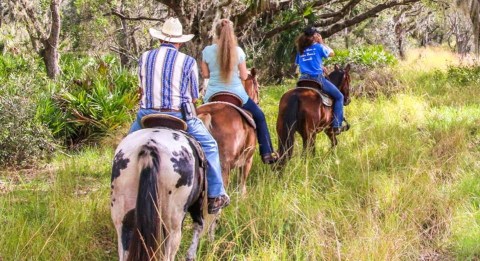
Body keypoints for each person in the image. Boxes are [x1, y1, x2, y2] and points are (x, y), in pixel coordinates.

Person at [128, 17, 229, 214]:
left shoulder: (145, 57)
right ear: (180, 41)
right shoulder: (188, 61)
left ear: (160, 39)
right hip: (178, 116)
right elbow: (193, 96)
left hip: (146, 115)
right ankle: (215, 195)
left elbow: (141, 88)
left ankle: (121, 187)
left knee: (125, 148)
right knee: (210, 145)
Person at [200, 19, 278, 164]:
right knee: (260, 116)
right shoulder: (238, 51)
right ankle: (267, 153)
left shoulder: (207, 51)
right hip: (237, 95)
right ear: (232, 34)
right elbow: (243, 76)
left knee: (195, 118)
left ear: (216, 33)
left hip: (212, 95)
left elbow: (205, 75)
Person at [295, 26, 347, 135]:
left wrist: (320, 65)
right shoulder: (318, 47)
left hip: (302, 80)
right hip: (317, 79)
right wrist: (322, 42)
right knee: (339, 97)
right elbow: (332, 53)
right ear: (314, 36)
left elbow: (301, 64)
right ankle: (337, 125)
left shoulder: (301, 50)